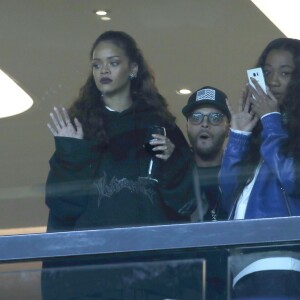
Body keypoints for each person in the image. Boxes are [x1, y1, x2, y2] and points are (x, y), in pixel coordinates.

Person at [42, 30, 195, 300]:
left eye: (113, 62)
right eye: (96, 64)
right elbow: (62, 207)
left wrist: (173, 159)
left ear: (133, 68)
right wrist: (71, 150)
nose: (104, 70)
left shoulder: (160, 127)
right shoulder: (80, 128)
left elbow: (185, 203)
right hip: (91, 280)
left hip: (153, 280)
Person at [220, 38, 300, 299]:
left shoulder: (281, 130)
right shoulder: (261, 133)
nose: (273, 81)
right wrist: (239, 137)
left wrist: (271, 121)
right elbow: (227, 193)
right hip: (242, 263)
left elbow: (293, 179)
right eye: (266, 72)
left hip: (281, 259)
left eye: (285, 73)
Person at [182, 86, 230, 222]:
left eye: (215, 118)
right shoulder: (174, 175)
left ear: (228, 128)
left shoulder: (241, 173)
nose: (204, 123)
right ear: (187, 126)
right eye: (196, 117)